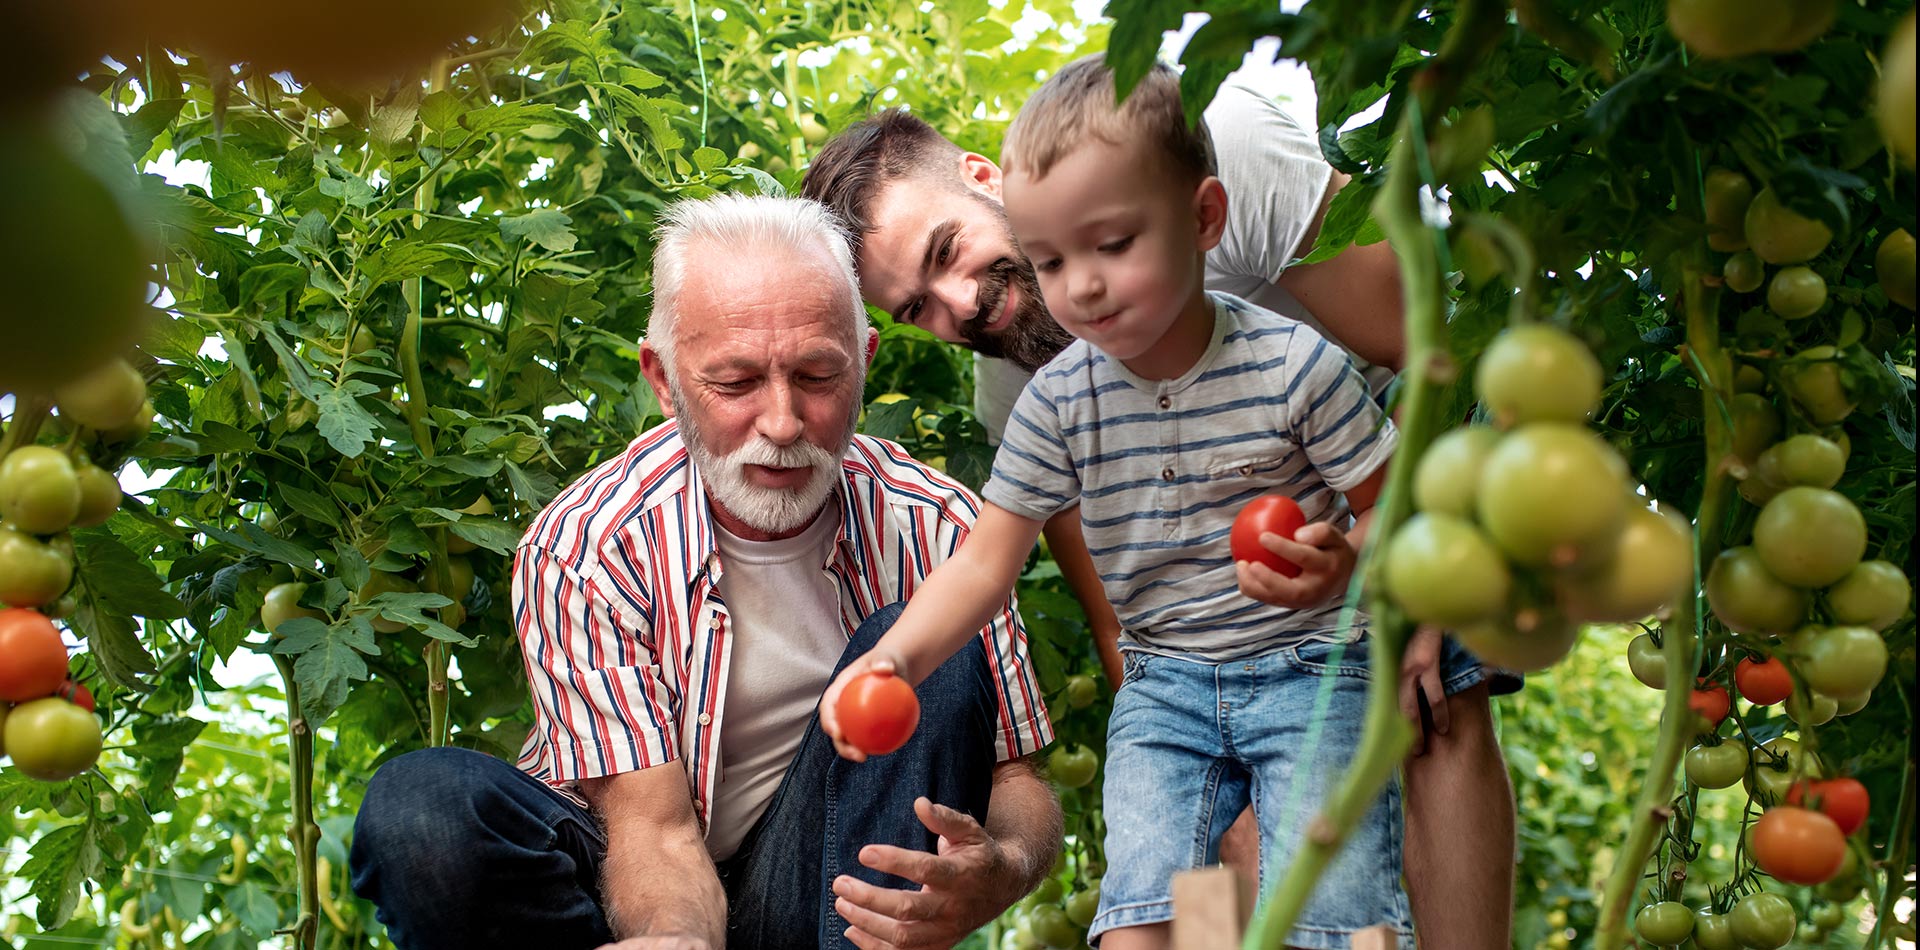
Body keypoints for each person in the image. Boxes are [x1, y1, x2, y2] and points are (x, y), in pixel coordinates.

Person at [802, 67, 1514, 949]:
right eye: (917, 309)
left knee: (1436, 703)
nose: (956, 306)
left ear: (990, 182)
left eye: (946, 253)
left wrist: (1414, 586)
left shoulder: (1212, 157)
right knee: (1214, 837)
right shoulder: (1029, 391)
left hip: (1393, 475)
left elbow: (1441, 348)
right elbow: (1112, 617)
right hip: (1208, 635)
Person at [348, 194, 1062, 950]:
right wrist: (676, 937)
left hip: (821, 896)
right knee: (421, 812)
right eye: (735, 383)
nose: (782, 424)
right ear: (663, 380)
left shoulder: (941, 528)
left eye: (819, 375)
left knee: (921, 646)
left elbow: (1015, 780)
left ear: (865, 362)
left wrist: (1006, 867)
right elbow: (648, 826)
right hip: (628, 882)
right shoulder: (588, 543)